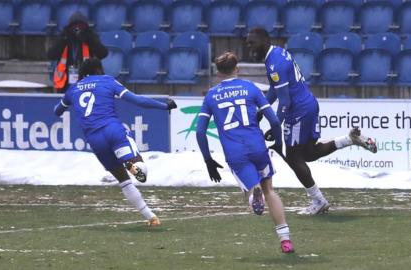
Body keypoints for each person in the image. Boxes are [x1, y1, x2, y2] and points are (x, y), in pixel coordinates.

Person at [245, 27, 378, 215]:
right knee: (307, 154)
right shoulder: (276, 54)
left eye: (252, 43)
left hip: (298, 111)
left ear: (265, 40)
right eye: (248, 44)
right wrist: (263, 110)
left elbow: (285, 101)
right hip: (308, 105)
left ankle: (318, 201)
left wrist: (275, 124)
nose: (249, 47)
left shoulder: (274, 63)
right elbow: (276, 90)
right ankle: (350, 139)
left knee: (293, 158)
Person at [53, 58, 177, 226]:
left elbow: (57, 111)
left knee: (124, 181)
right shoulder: (107, 81)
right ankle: (132, 164)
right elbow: (137, 100)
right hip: (113, 131)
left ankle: (150, 217)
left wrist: (66, 103)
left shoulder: (73, 89)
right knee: (142, 173)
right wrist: (164, 106)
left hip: (95, 140)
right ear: (98, 69)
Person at [196, 52, 295, 253]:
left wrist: (208, 160)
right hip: (257, 146)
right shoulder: (250, 87)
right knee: (270, 191)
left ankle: (253, 195)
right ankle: (285, 240)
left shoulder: (211, 95)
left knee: (250, 188)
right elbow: (274, 121)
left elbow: (200, 132)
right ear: (237, 69)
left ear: (217, 73)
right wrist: (277, 142)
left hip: (235, 152)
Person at [48, 11, 108, 92]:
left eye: (80, 26)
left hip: (87, 83)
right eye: (74, 26)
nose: (77, 28)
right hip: (65, 84)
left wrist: (90, 40)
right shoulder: (64, 37)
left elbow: (103, 53)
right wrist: (63, 39)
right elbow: (51, 55)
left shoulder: (90, 36)